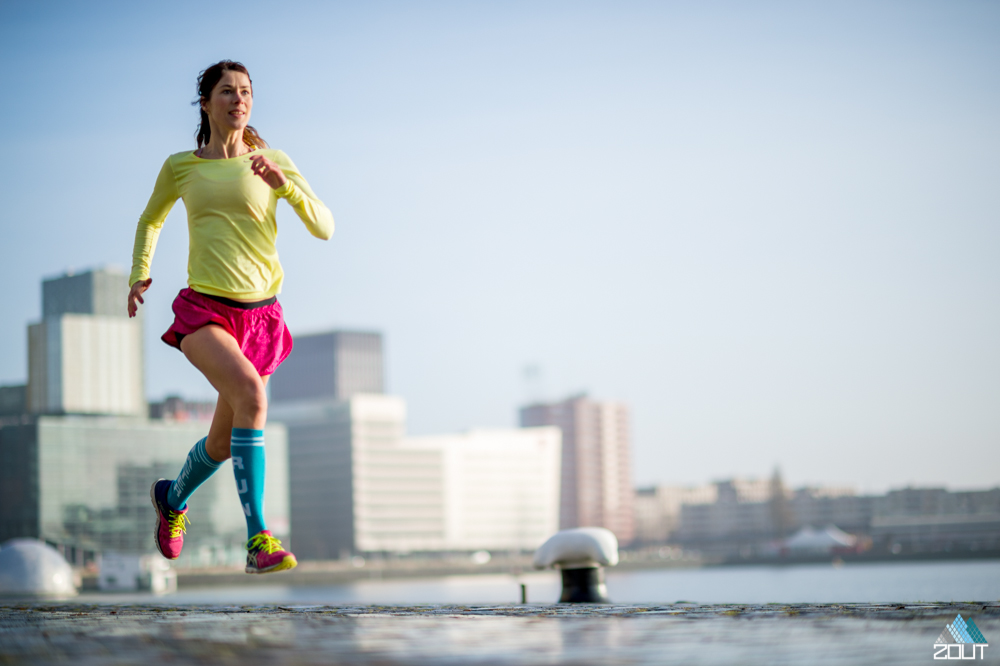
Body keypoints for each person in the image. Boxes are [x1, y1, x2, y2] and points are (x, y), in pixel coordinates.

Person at [127, 60, 334, 574]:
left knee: (222, 442)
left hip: (261, 318)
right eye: (227, 91)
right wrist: (139, 273)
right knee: (251, 395)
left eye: (245, 92)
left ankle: (172, 499)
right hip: (205, 311)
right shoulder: (182, 166)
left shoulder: (273, 161)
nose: (238, 99)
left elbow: (324, 226)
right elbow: (151, 218)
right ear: (206, 103)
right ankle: (258, 539)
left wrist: (285, 185)